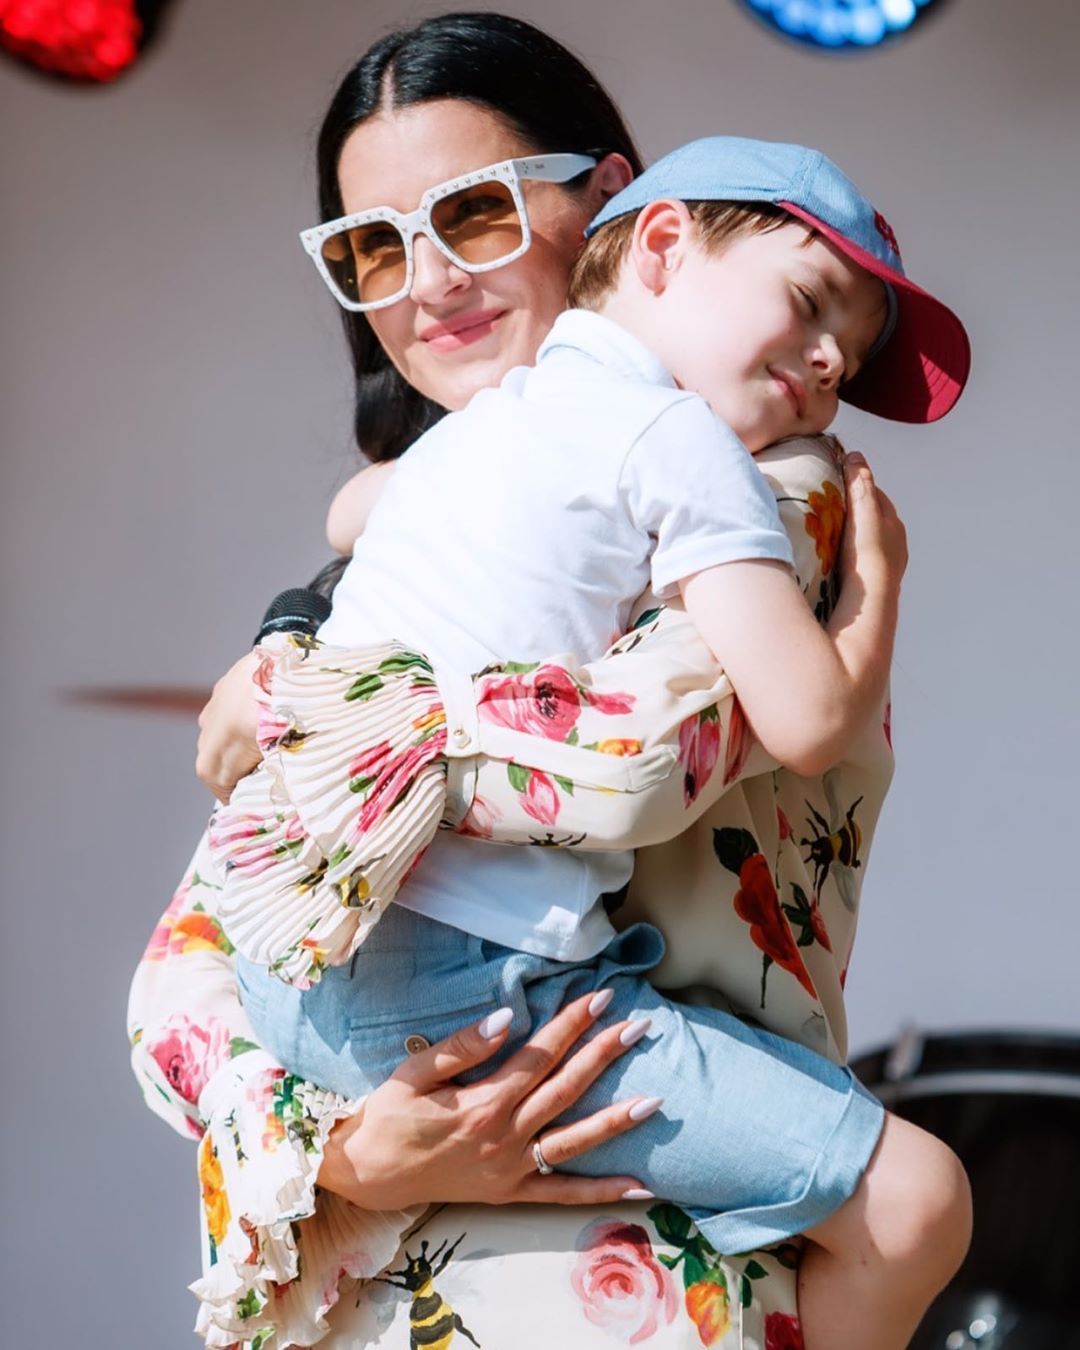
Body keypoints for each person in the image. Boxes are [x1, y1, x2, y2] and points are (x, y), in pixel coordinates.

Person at [127, 14, 971, 1349]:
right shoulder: (404, 543)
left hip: (632, 1269)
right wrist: (341, 1153)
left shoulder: (765, 478)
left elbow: (638, 762)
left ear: (619, 207)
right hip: (399, 1284)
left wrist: (309, 707)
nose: (427, 282)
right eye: (373, 248)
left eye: (473, 214)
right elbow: (185, 976)